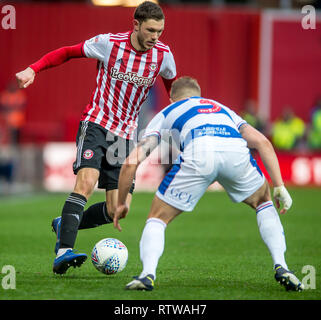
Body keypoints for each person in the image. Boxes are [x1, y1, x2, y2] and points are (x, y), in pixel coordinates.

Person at [15, 1, 177, 275]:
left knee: (118, 208)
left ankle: (66, 221)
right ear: (135, 24)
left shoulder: (163, 55)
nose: (155, 37)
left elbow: (173, 89)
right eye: (150, 30)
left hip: (125, 136)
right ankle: (64, 250)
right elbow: (68, 52)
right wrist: (34, 68)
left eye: (159, 31)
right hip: (97, 124)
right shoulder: (109, 44)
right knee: (86, 183)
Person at [114, 76, 304, 292]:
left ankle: (147, 274)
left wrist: (121, 202)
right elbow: (262, 142)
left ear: (171, 98)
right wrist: (279, 186)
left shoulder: (166, 113)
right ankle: (282, 265)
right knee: (263, 202)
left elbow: (131, 161)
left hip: (199, 152)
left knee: (157, 218)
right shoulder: (221, 108)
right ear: (199, 95)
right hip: (234, 150)